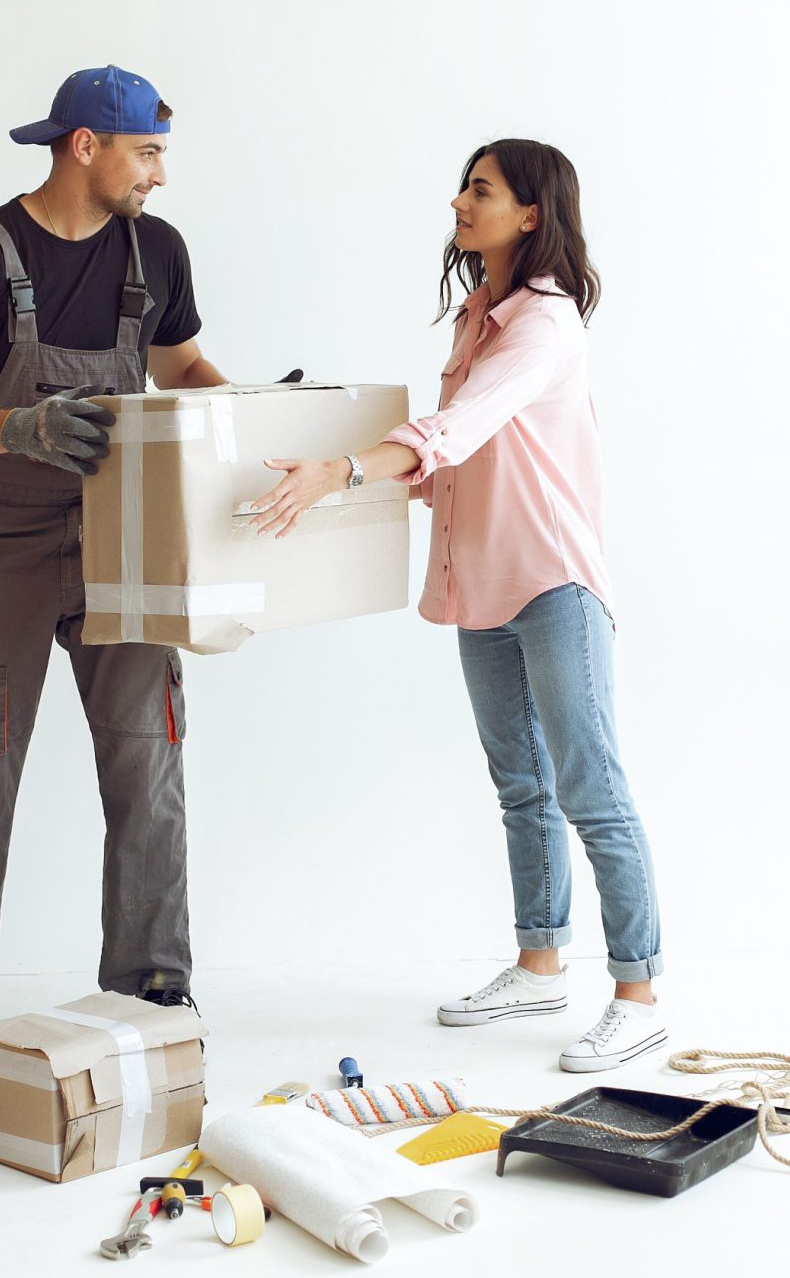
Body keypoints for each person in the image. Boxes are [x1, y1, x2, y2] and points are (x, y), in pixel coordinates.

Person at [249, 139, 666, 1072]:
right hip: (483, 583)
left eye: (481, 190)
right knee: (521, 784)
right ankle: (540, 961)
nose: (459, 201)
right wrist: (335, 478)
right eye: (463, 187)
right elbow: (454, 465)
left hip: (553, 580)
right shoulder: (480, 317)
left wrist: (346, 468)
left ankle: (638, 991)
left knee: (589, 785)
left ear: (530, 213)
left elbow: (457, 430)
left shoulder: (546, 325)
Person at [0, 65, 228, 1035]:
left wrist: (256, 416)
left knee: (148, 754)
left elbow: (182, 371)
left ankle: (149, 980)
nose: (160, 175)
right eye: (148, 153)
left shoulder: (157, 252)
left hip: (126, 536)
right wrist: (15, 429)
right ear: (84, 146)